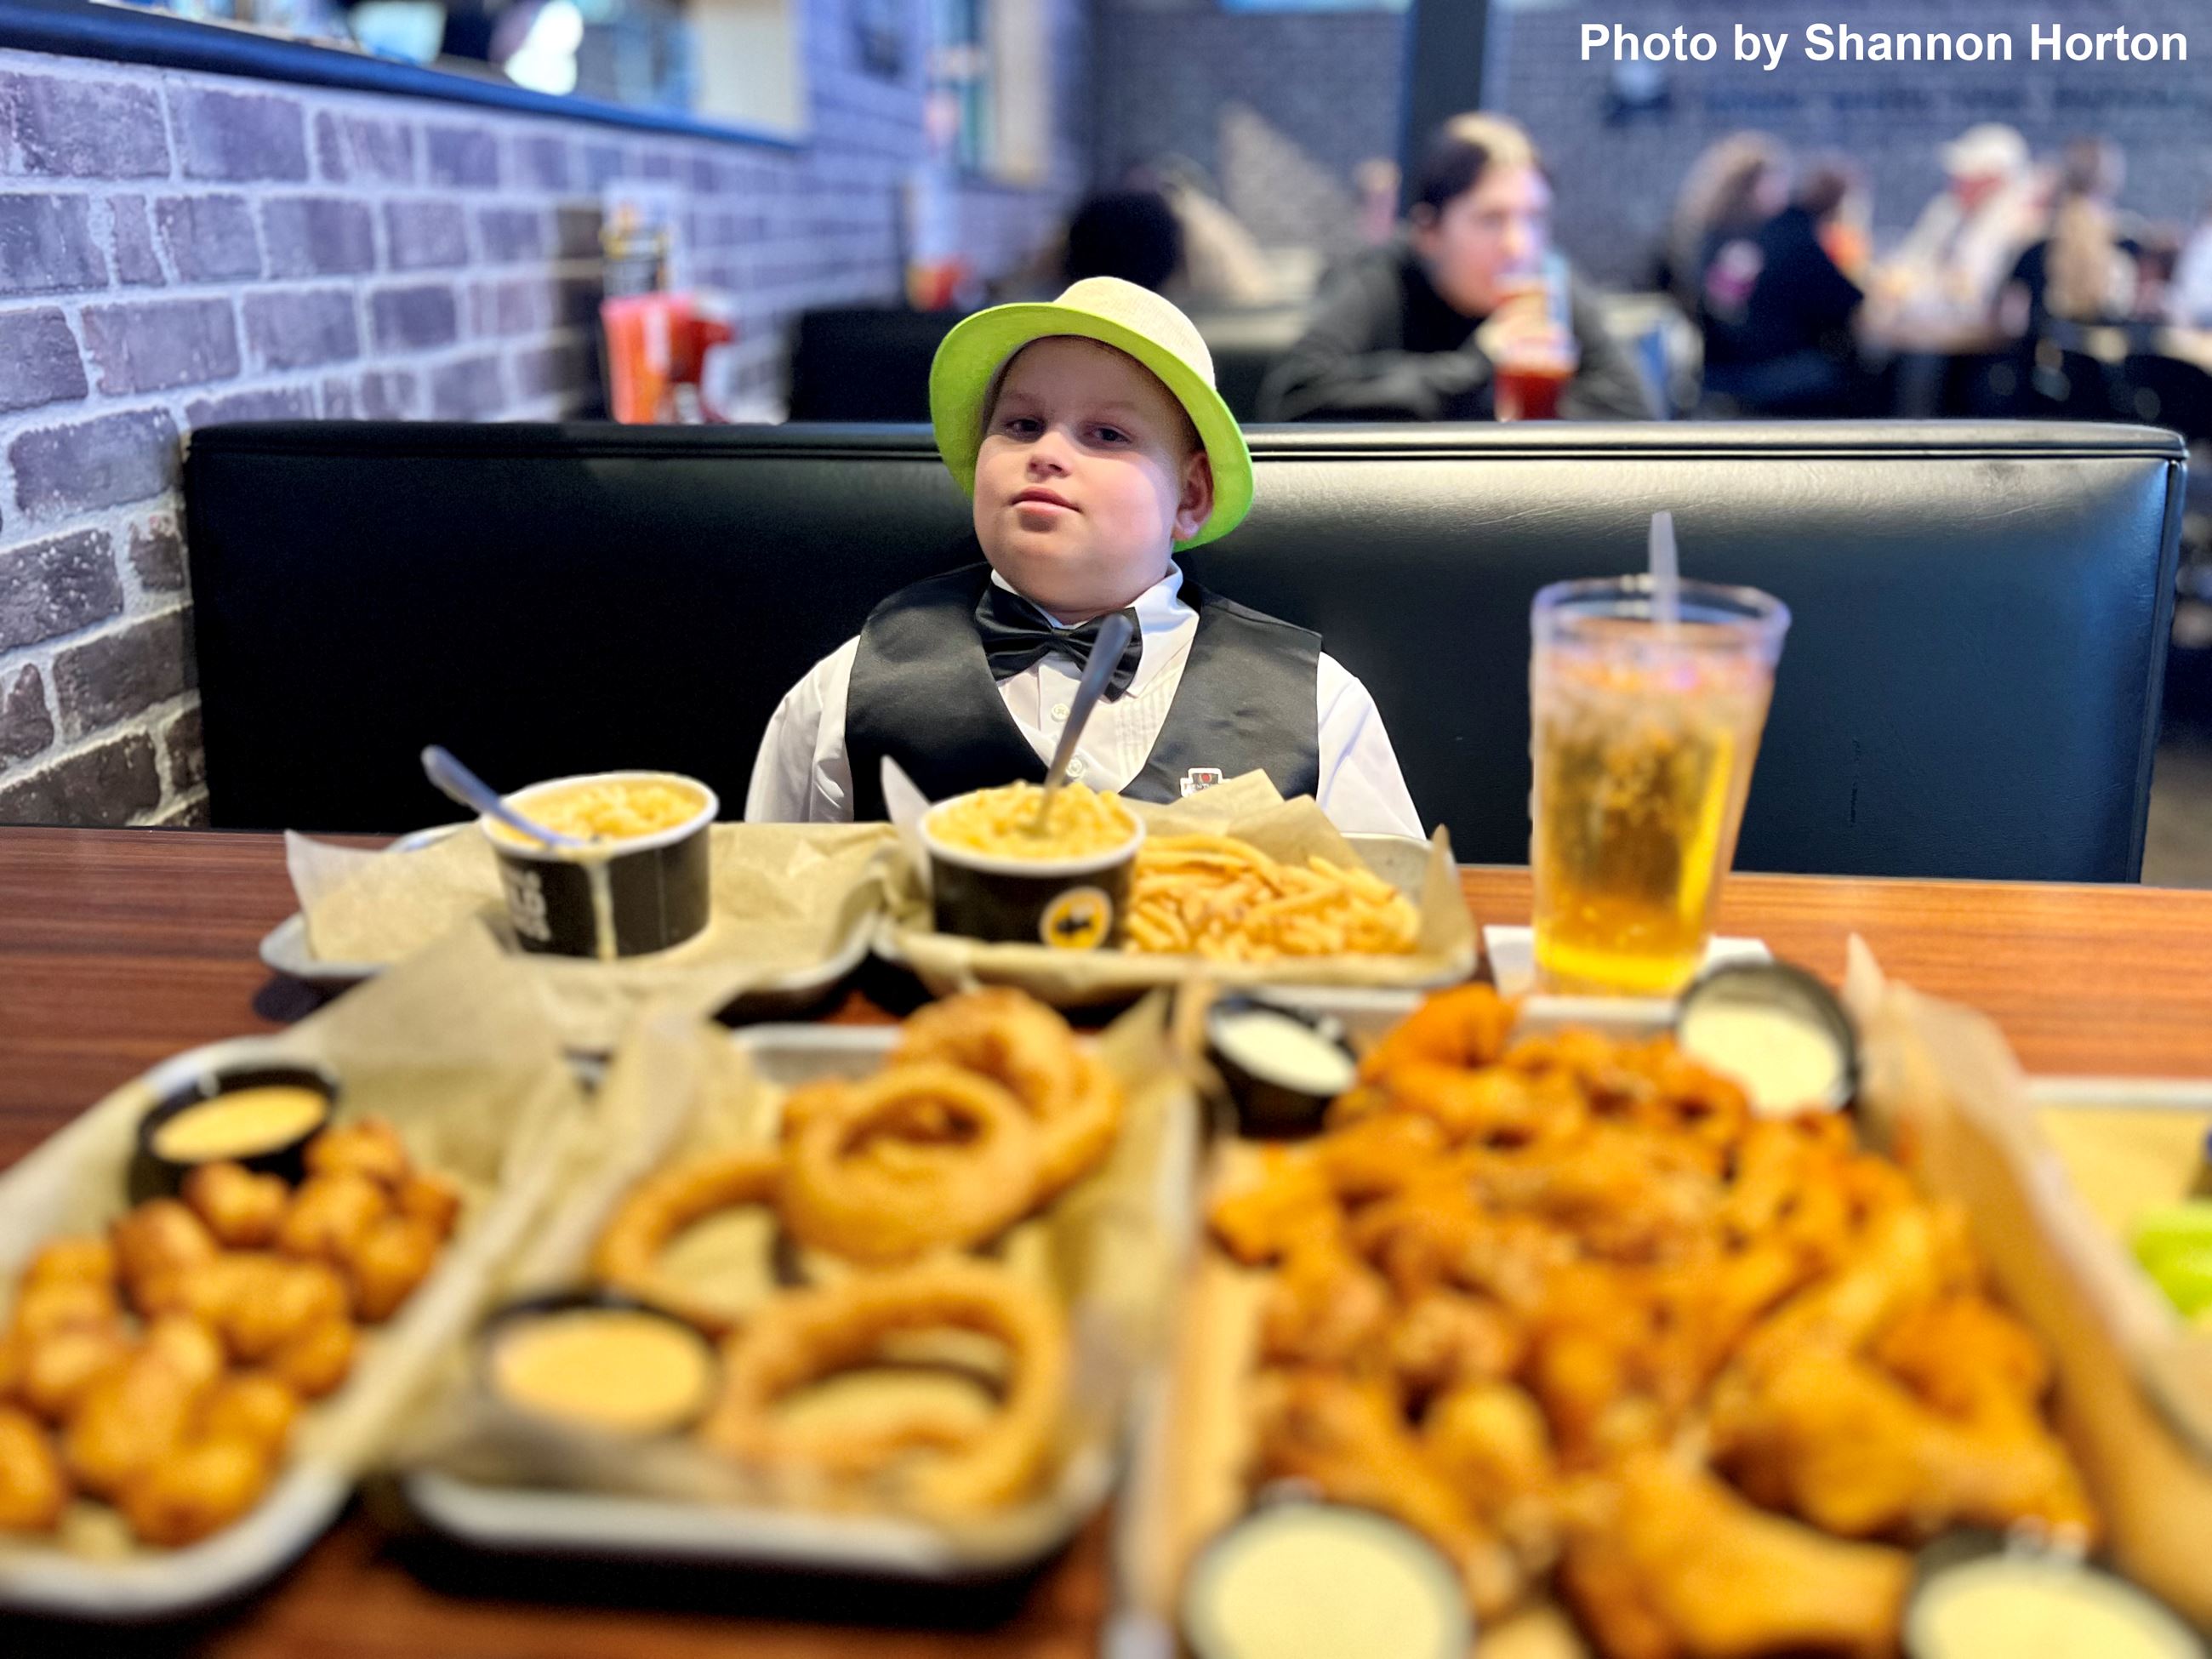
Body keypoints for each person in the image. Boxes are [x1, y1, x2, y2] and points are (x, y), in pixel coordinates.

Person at [745, 276, 1424, 836]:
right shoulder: (847, 690)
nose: (1046, 453)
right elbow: (776, 904)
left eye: (1106, 433)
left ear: (1190, 496)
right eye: (1021, 425)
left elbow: (1391, 922)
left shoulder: (1314, 704)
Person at [1256, 114, 1651, 422]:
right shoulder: (1381, 278)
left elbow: (1636, 408)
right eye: (1491, 219)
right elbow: (1294, 398)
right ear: (1429, 232)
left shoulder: (1547, 280)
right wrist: (1479, 365)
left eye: (1533, 218)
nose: (1520, 245)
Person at [1699, 160, 1870, 416]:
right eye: (1776, 184)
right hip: (1767, 368)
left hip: (1726, 365)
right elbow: (1848, 302)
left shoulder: (1722, 235)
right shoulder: (1791, 236)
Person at [1869, 123, 2041, 347]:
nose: (1957, 182)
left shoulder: (2020, 224)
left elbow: (1980, 295)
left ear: (1994, 180)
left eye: (1967, 176)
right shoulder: (1948, 212)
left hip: (1990, 347)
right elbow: (1912, 262)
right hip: (1934, 330)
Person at [2001, 137, 2141, 339]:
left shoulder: (2034, 248)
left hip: (2046, 364)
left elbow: (2011, 323)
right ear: (2112, 181)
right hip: (2110, 366)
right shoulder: (2130, 245)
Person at [1662, 132, 1791, 316]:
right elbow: (1703, 291)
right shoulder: (1719, 231)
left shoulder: (1775, 228)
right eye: (1773, 184)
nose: (1782, 193)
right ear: (1747, 186)